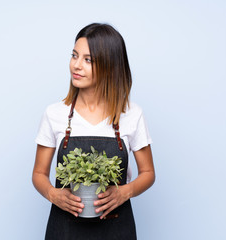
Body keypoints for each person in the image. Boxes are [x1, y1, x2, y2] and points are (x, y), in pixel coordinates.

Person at [32, 23, 155, 240]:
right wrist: (54, 194)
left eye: (88, 60)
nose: (76, 66)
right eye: (74, 55)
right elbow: (39, 174)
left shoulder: (131, 114)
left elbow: (148, 173)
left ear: (110, 65)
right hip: (65, 230)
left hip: (117, 229)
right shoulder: (55, 114)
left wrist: (123, 192)